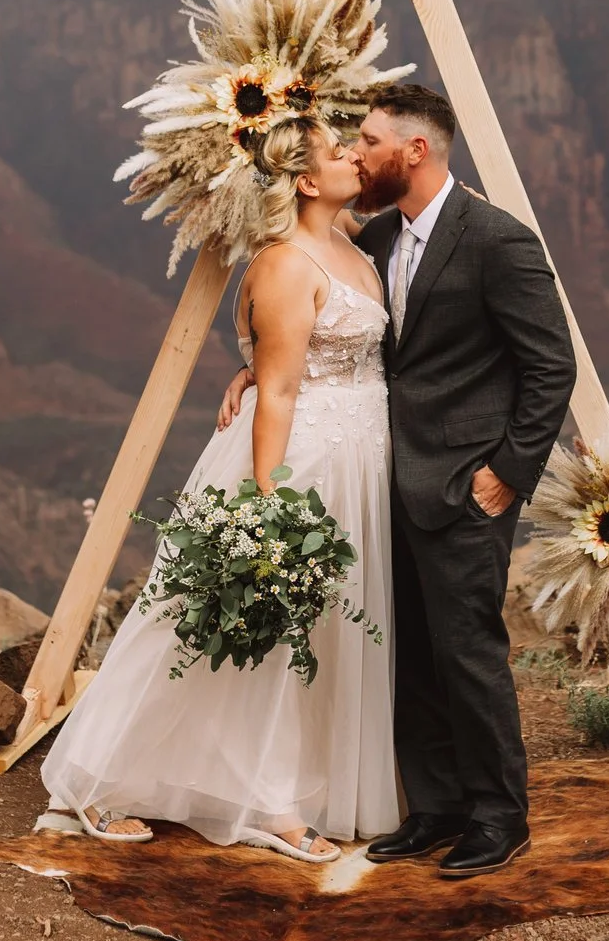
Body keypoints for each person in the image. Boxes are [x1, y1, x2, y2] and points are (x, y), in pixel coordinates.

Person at [40, 117, 399, 862]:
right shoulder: (285, 264)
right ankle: (105, 781)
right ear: (304, 180)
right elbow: (277, 392)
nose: (355, 160)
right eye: (340, 153)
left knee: (320, 635)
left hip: (360, 459)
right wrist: (270, 502)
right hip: (300, 463)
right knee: (234, 628)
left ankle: (289, 784)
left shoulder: (352, 247)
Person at [347, 83, 576, 879]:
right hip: (389, 486)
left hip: (465, 487)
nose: (356, 152)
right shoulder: (375, 239)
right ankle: (437, 807)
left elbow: (551, 367)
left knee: (468, 651)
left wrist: (506, 476)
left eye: (369, 140)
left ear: (414, 150)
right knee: (408, 652)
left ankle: (497, 816)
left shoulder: (497, 241)